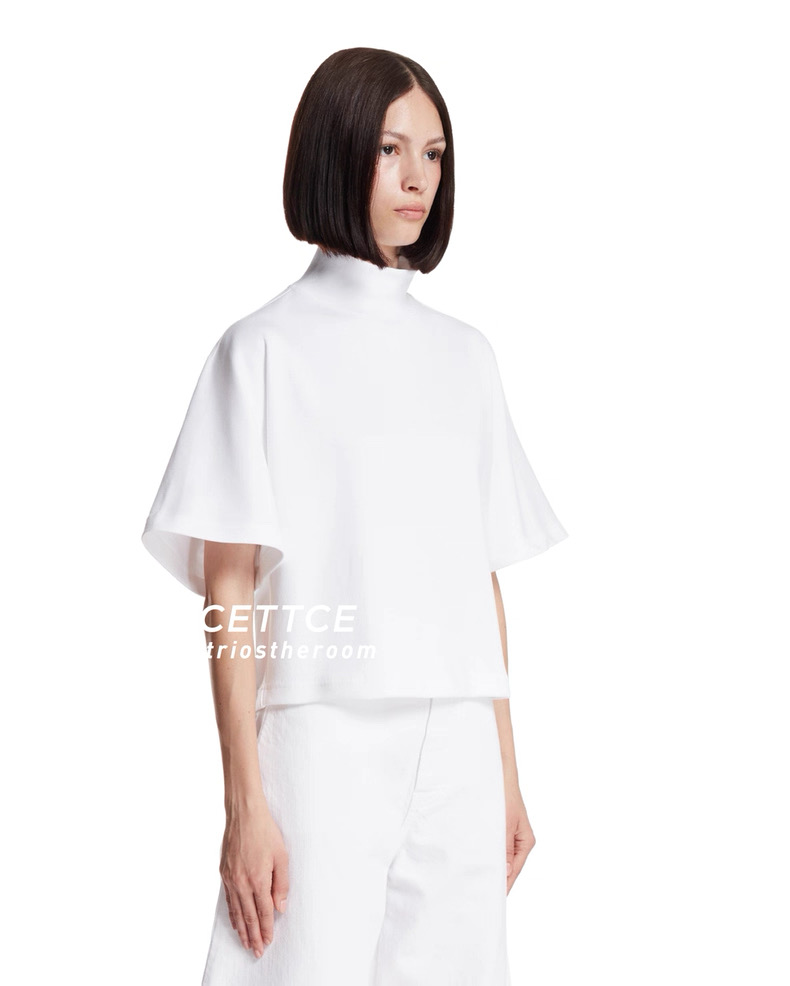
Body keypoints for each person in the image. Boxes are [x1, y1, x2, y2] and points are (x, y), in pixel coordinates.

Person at [141, 46, 568, 986]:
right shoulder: (260, 351)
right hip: (319, 733)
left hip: (458, 740)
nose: (419, 177)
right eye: (390, 149)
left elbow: (478, 576)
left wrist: (506, 771)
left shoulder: (466, 356)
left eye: (435, 154)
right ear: (335, 152)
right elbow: (227, 587)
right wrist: (244, 801)